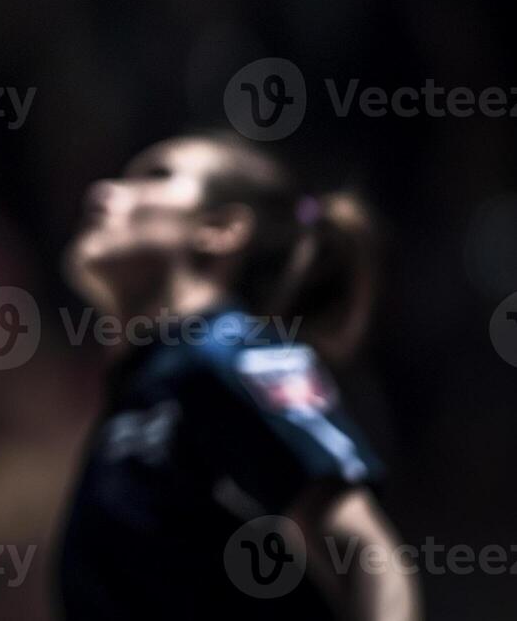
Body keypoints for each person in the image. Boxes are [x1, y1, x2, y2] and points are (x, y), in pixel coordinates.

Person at [55, 134, 420, 620]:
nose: (102, 192)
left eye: (155, 176)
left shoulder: (226, 352)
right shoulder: (144, 385)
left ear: (220, 228)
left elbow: (366, 554)